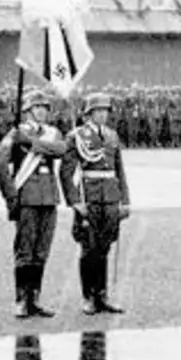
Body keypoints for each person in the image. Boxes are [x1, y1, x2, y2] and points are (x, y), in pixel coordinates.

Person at [0, 88, 69, 318]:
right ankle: (21, 299)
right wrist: (10, 195)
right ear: (27, 111)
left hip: (49, 197)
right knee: (25, 251)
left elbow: (62, 149)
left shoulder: (52, 132)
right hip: (26, 196)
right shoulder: (16, 134)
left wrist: (32, 143)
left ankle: (35, 298)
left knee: (42, 251)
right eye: (37, 108)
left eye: (45, 108)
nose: (41, 112)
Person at [60, 91, 131, 314]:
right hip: (88, 197)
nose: (102, 115)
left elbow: (119, 169)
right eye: (97, 111)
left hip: (110, 198)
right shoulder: (76, 136)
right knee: (88, 248)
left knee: (105, 246)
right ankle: (88, 296)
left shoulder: (112, 136)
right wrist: (74, 201)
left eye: (105, 111)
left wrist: (125, 200)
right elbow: (66, 171)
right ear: (88, 113)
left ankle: (102, 295)